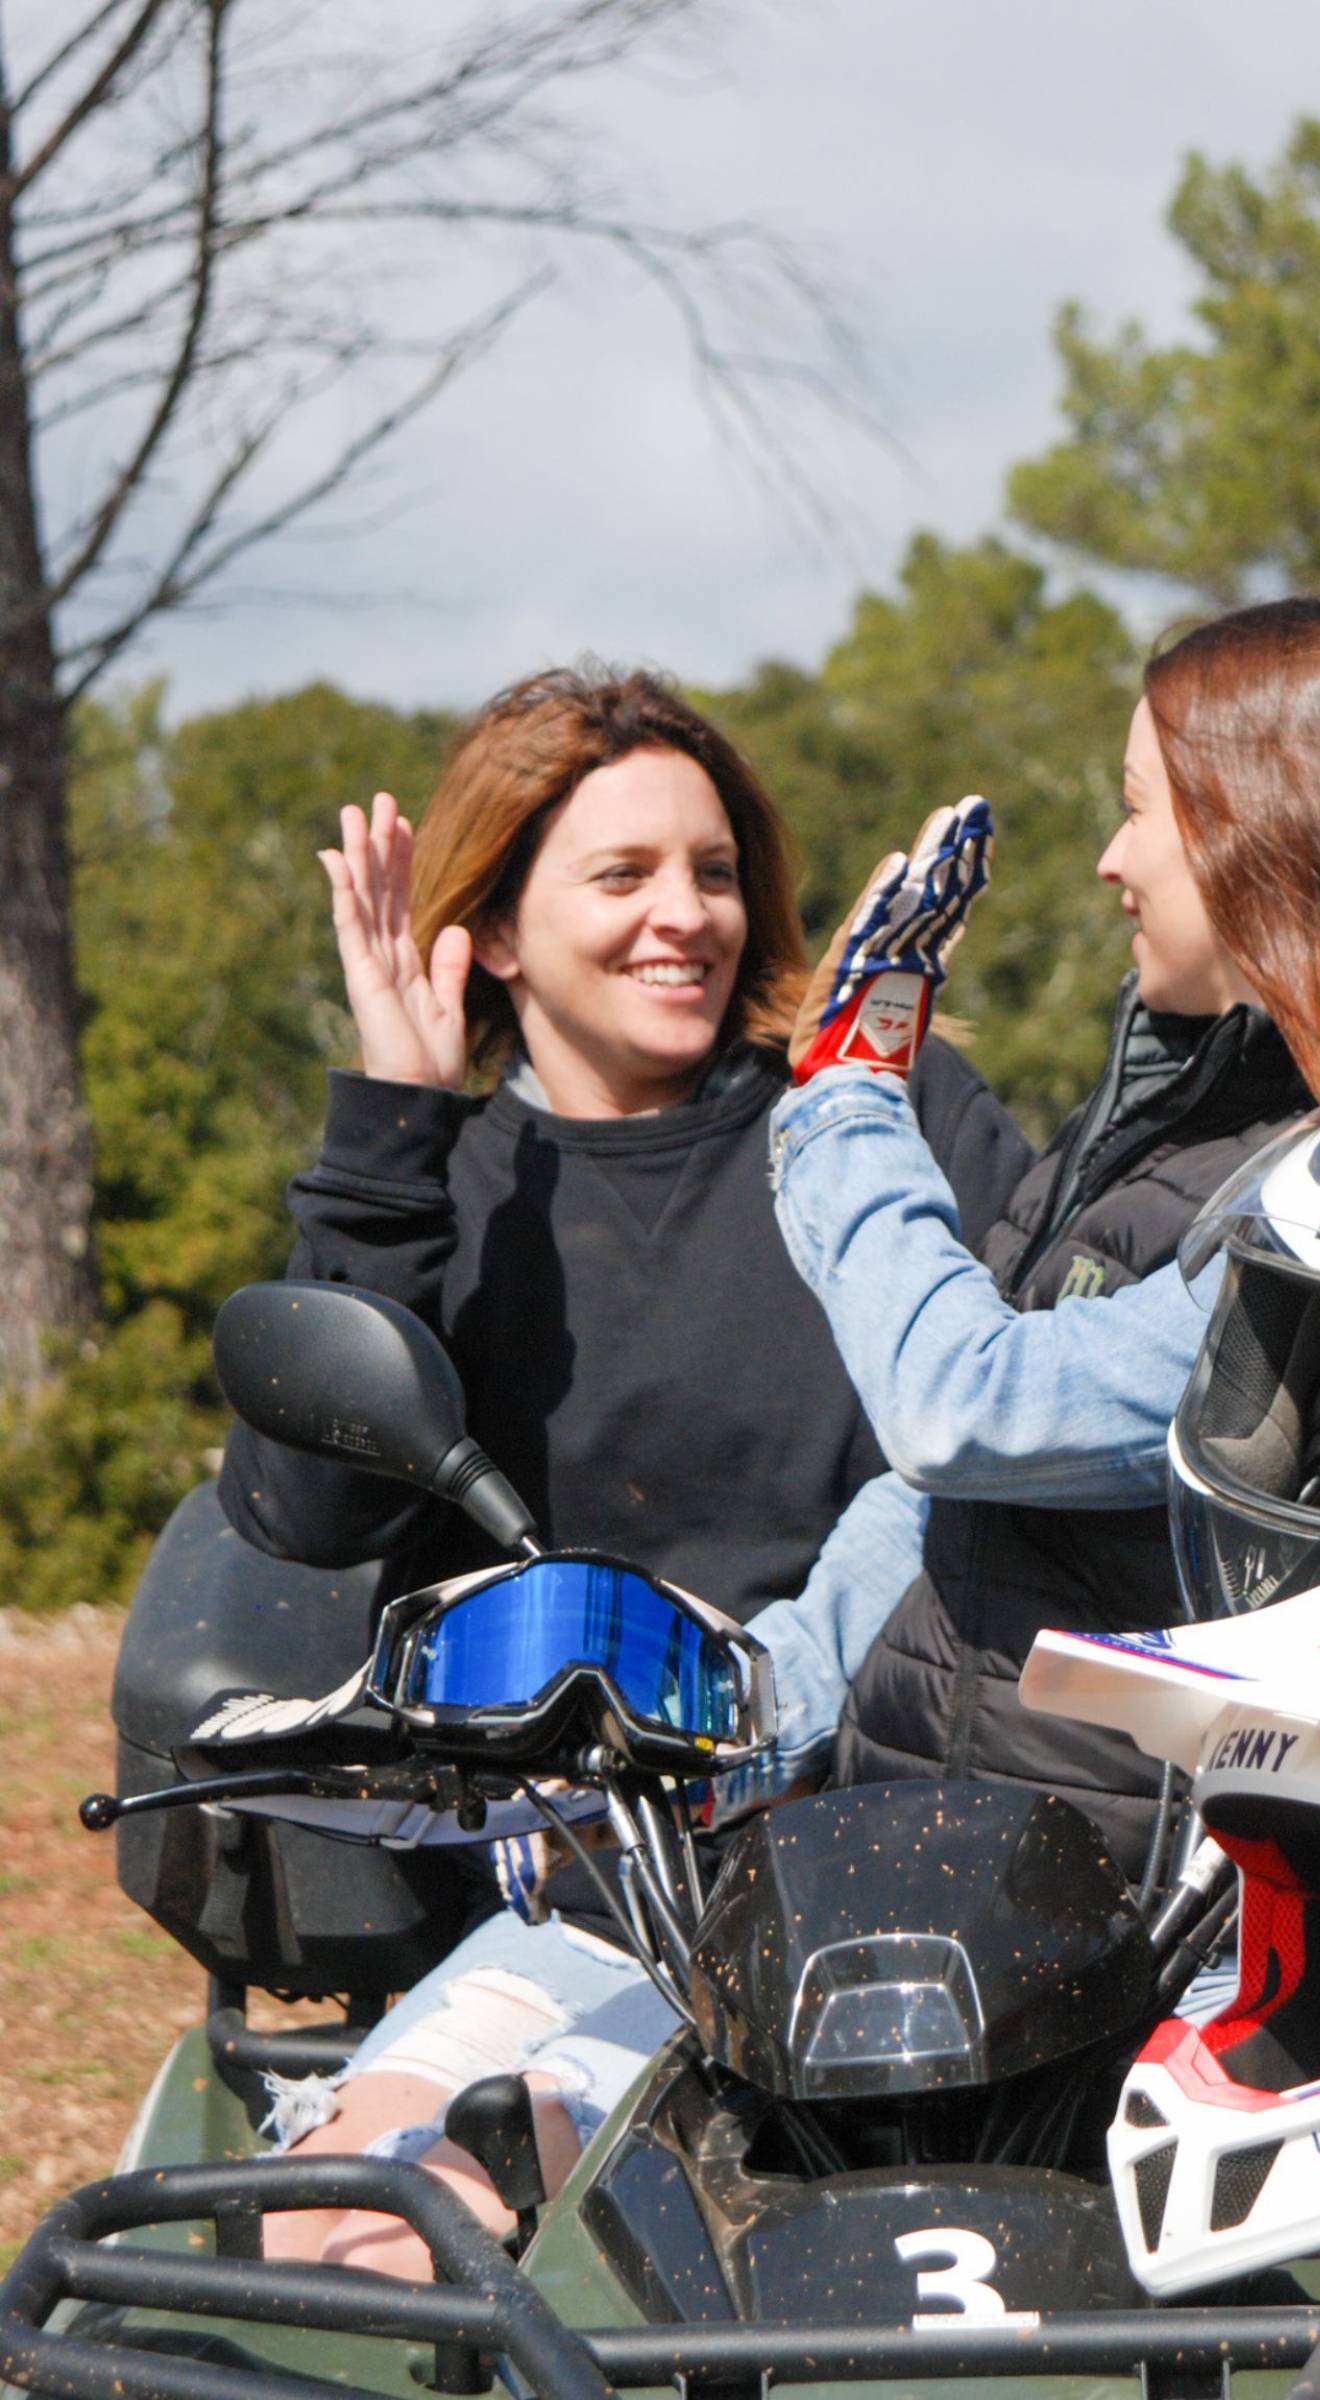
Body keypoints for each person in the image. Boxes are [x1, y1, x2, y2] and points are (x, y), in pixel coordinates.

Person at [216, 665, 1029, 2271]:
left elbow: (1026, 1423)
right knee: (339, 2229)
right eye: (624, 875)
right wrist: (390, 1117)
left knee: (471, 2214)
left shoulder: (879, 1114)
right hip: (592, 1893)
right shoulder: (439, 1180)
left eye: (714, 872)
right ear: (497, 931)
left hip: (889, 1848)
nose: (686, 917)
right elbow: (305, 1511)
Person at [753, 590, 1320, 1874]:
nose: (1109, 863)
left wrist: (848, 1094)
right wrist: (752, 1709)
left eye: (1140, 810)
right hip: (949, 1872)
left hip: (1142, 1936)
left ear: (1268, 837)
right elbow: (947, 1494)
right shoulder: (1175, 1128)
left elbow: (962, 1404)